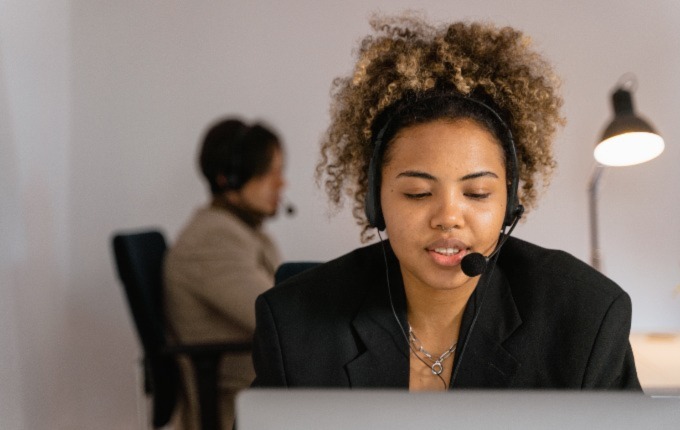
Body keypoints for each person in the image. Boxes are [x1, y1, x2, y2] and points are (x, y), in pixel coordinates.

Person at [251, 14, 640, 391]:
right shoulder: (293, 325)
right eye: (418, 193)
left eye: (477, 193)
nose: (448, 217)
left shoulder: (586, 319)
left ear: (509, 203)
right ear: (375, 199)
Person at [164, 117, 286, 429]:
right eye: (269, 172)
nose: (281, 183)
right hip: (238, 407)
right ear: (229, 178)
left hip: (265, 392)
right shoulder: (213, 239)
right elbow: (281, 318)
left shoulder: (242, 231)